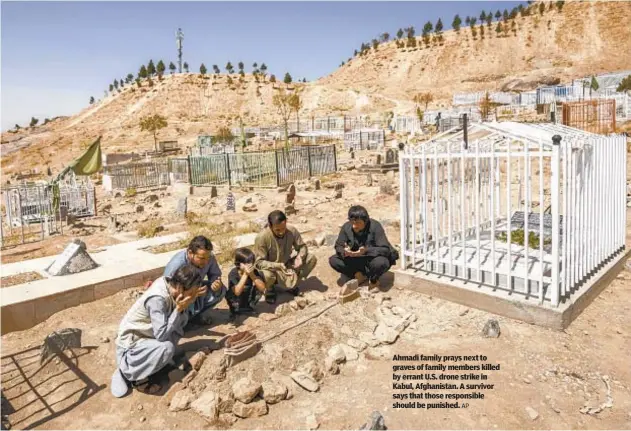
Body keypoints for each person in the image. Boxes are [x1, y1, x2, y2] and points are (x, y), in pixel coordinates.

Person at [111, 264, 203, 398]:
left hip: (147, 337)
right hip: (130, 346)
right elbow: (161, 335)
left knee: (174, 331)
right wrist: (178, 310)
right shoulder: (157, 299)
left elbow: (179, 324)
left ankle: (155, 365)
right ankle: (134, 376)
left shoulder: (172, 289)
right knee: (166, 347)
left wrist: (181, 309)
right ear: (179, 287)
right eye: (191, 293)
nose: (193, 296)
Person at [328, 205, 399, 291]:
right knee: (334, 260)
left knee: (382, 262)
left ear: (365, 222)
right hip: (355, 259)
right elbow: (338, 245)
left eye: (357, 223)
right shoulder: (346, 227)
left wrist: (366, 251)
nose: (354, 226)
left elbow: (385, 249)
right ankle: (358, 275)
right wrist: (344, 251)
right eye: (352, 222)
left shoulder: (375, 226)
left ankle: (373, 280)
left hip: (371, 259)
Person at [253, 210, 317, 303]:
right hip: (272, 269)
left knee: (311, 258)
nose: (281, 232)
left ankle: (293, 285)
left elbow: (302, 247)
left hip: (287, 265)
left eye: (283, 228)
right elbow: (259, 263)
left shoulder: (291, 230)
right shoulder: (262, 238)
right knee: (266, 275)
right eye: (277, 230)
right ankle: (270, 290)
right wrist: (277, 266)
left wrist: (300, 257)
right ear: (270, 226)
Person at [163, 236, 226, 324]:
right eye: (202, 258)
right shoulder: (176, 265)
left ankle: (194, 317)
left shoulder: (207, 256)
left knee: (221, 290)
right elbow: (168, 292)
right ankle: (179, 320)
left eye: (208, 258)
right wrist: (189, 295)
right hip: (180, 298)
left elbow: (215, 275)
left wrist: (215, 283)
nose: (206, 262)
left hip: (197, 292)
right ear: (190, 253)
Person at [226, 247, 267, 318]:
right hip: (236, 302)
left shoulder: (253, 272)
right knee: (234, 290)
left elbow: (263, 288)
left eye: (251, 262)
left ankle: (249, 307)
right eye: (247, 262)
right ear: (239, 263)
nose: (250, 265)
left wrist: (252, 275)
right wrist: (245, 274)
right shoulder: (233, 273)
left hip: (248, 299)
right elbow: (237, 292)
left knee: (258, 281)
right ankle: (236, 311)